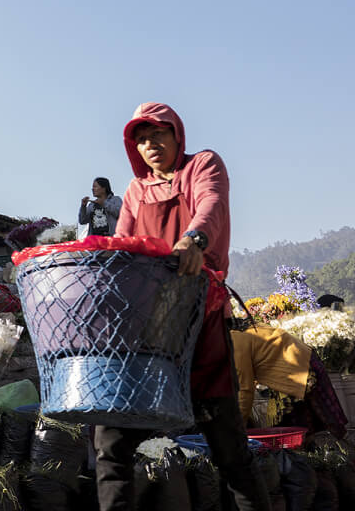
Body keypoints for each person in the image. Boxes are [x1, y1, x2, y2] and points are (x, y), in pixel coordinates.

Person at [93, 103, 268, 511]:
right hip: (145, 330)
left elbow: (211, 203)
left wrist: (194, 240)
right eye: (141, 139)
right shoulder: (136, 191)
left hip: (199, 322)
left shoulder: (202, 165)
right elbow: (122, 245)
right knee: (111, 443)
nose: (149, 144)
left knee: (229, 448)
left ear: (177, 135)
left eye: (158, 134)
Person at [230, 324, 347, 440]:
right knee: (305, 428)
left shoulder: (235, 343)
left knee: (301, 429)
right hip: (300, 361)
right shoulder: (238, 335)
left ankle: (341, 448)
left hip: (296, 370)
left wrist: (237, 429)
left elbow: (245, 390)